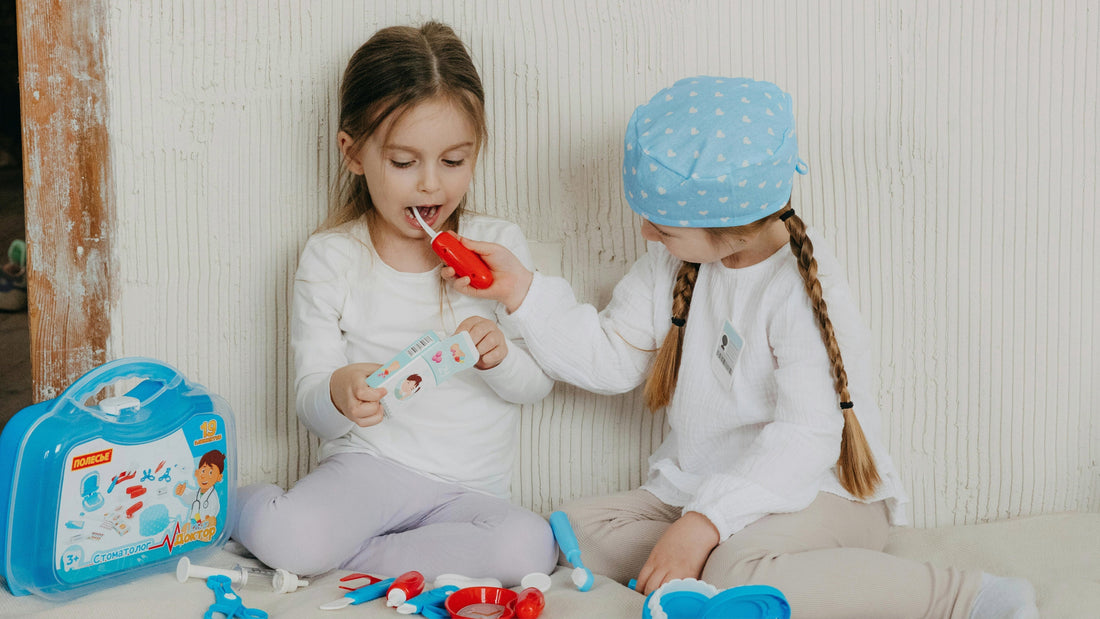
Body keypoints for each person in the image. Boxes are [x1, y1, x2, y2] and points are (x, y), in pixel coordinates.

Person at [447, 76, 1038, 618]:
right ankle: (714, 558)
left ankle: (968, 596)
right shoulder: (672, 260)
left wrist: (705, 523)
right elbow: (611, 357)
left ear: (732, 228)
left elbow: (806, 439)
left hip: (818, 493)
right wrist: (522, 291)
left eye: (664, 226)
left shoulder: (800, 293)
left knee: (734, 568)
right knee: (575, 530)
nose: (647, 233)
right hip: (708, 488)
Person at [230, 21, 557, 586]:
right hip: (368, 471)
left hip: (470, 491)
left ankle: (344, 554)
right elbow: (310, 400)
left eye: (454, 161)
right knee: (294, 536)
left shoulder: (498, 247)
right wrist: (340, 392)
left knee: (529, 548)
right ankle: (233, 506)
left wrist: (501, 356)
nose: (431, 186)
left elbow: (537, 386)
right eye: (404, 163)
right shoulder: (333, 257)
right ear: (353, 153)